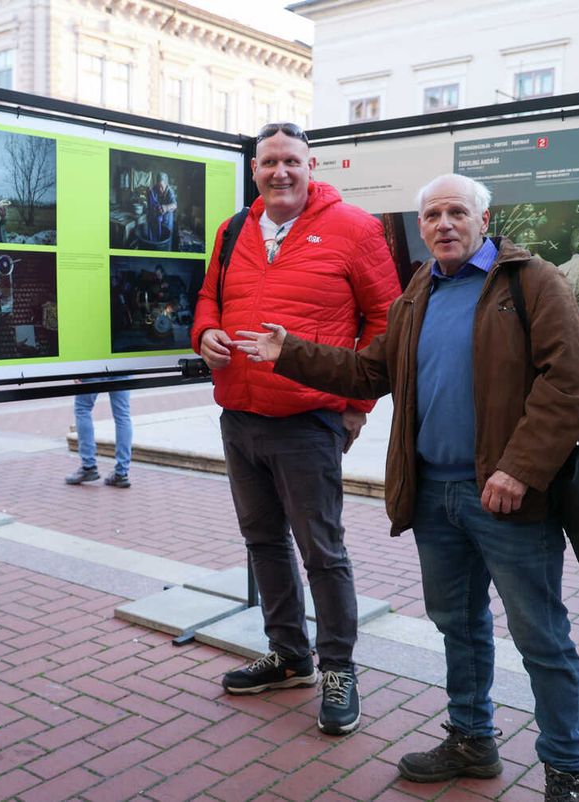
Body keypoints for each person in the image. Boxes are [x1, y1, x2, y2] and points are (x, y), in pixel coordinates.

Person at [234, 173, 579, 802]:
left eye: (457, 212)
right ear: (421, 226)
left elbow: (569, 383)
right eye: (431, 215)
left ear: (485, 219)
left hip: (507, 497)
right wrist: (290, 350)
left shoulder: (530, 282)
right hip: (435, 495)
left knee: (541, 637)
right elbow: (371, 369)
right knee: (458, 625)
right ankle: (471, 740)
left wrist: (520, 468)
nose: (444, 224)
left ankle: (566, 769)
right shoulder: (419, 291)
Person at [191, 121, 400, 736]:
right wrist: (204, 333)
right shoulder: (233, 230)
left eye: (291, 162)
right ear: (254, 169)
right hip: (240, 414)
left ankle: (337, 669)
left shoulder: (356, 229)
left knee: (322, 552)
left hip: (310, 419)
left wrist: (356, 407)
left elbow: (387, 323)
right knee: (263, 544)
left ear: (314, 167)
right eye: (268, 163)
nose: (279, 172)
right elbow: (208, 297)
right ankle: (288, 654)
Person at [65, 379, 132, 488]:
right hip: (121, 366)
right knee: (123, 415)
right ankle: (122, 473)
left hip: (95, 368)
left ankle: (88, 466)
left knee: (82, 409)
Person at [147, 172, 178, 246]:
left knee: (165, 241)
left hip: (167, 220)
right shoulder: (155, 189)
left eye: (162, 187)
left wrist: (166, 207)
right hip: (156, 219)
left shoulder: (170, 191)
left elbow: (175, 205)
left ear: (166, 184)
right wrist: (148, 195)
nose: (160, 189)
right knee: (156, 240)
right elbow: (150, 202)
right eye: (158, 186)